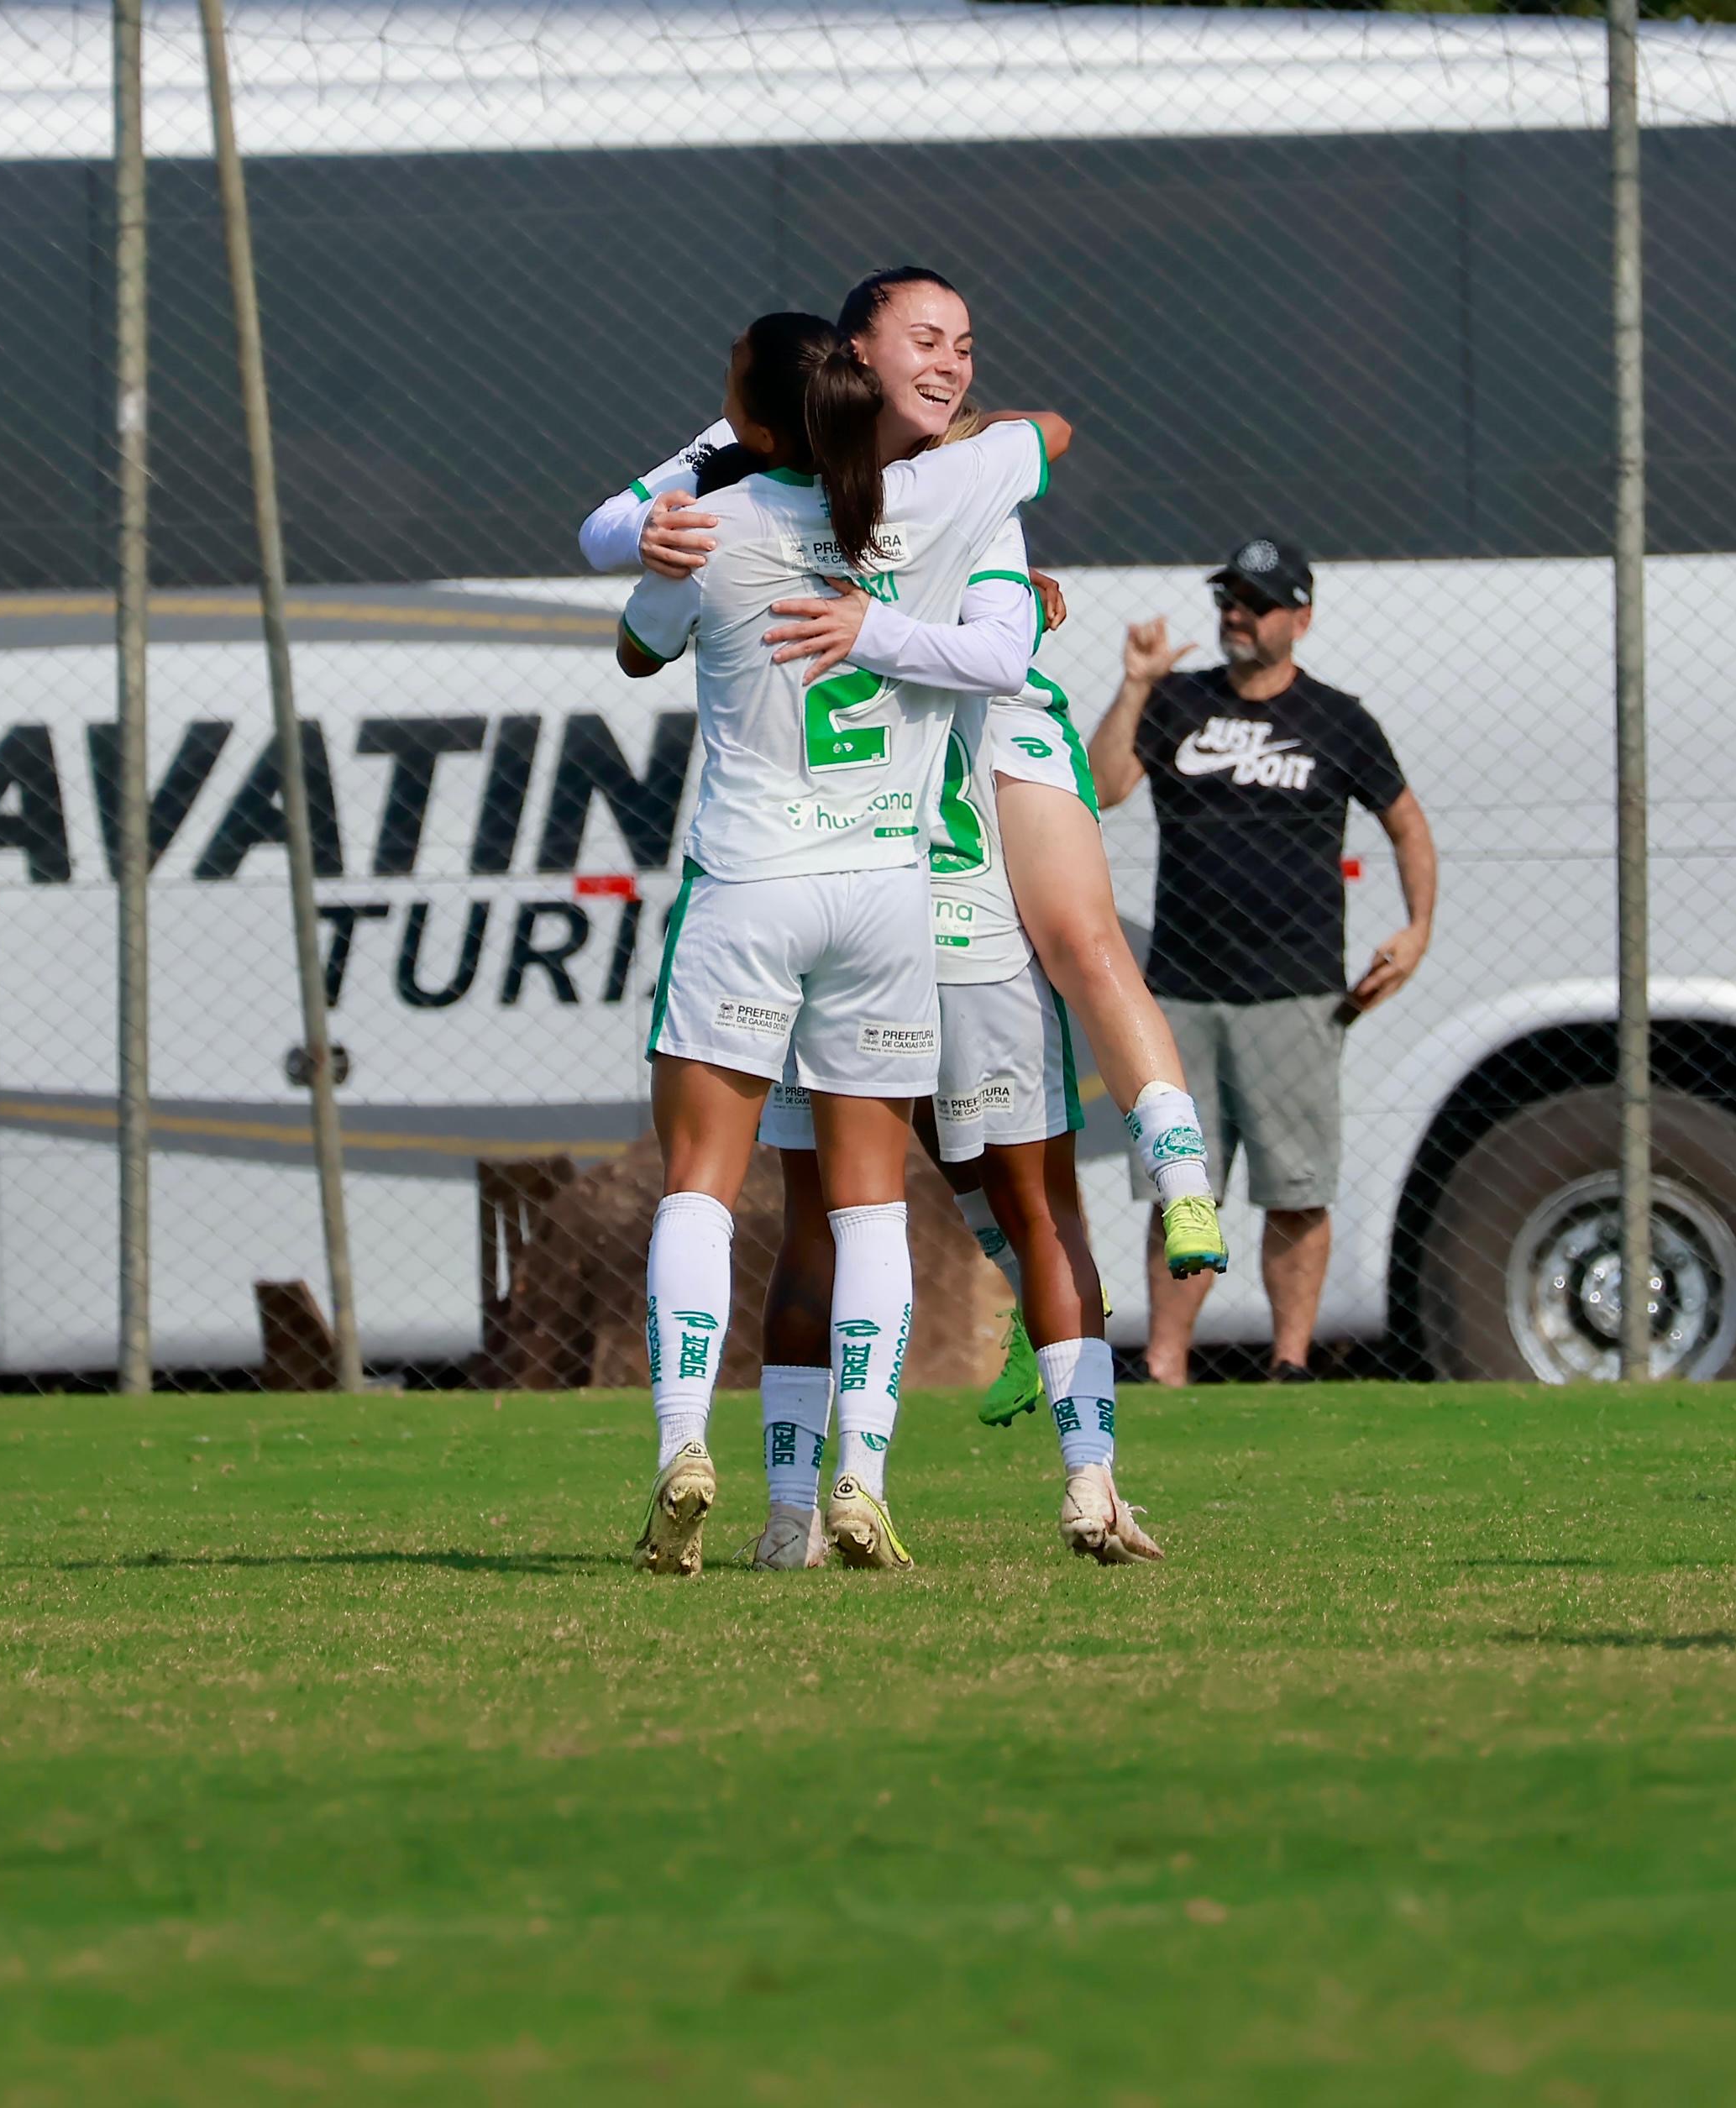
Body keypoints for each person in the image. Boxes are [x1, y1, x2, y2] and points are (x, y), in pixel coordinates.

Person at [611, 298, 1067, 1577]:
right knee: (870, 1208)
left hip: (752, 883)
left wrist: (665, 540)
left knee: (703, 1180)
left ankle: (683, 1451)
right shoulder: (926, 508)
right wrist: (955, 435)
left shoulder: (710, 523)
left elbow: (636, 651)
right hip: (883, 896)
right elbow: (1050, 432)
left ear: (751, 419)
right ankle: (861, 1479)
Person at [601, 399, 1230, 1286]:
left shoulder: (944, 479)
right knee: (963, 1001)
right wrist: (654, 531)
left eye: (955, 353)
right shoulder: (843, 474)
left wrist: (894, 617)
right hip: (920, 752)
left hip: (976, 731)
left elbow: (1041, 452)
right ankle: (1105, 1221)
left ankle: (1142, 1203)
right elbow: (608, 527)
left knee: (1059, 959)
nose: (940, 376)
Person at [1088, 539, 1437, 1383]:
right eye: (1229, 598)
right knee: (1184, 1191)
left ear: (1301, 617)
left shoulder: (1339, 719)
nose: (1237, 613)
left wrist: (1417, 928)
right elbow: (1102, 787)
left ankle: (1289, 1361)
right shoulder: (1176, 702)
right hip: (1182, 990)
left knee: (1297, 1186)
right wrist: (1135, 684)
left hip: (1297, 992)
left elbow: (1407, 824)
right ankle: (1165, 1363)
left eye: (1257, 600)